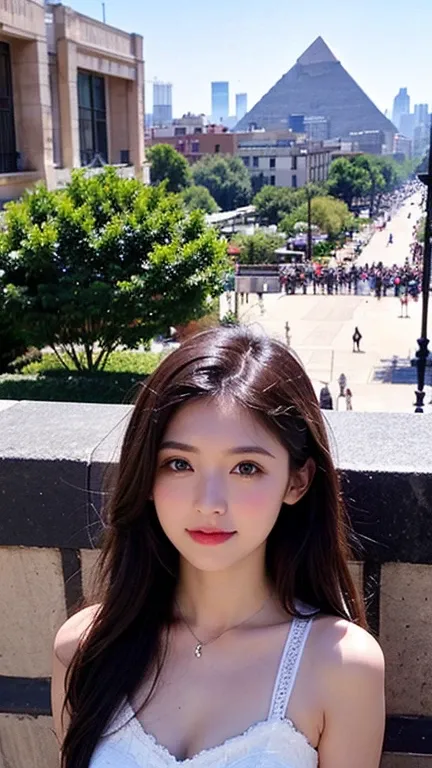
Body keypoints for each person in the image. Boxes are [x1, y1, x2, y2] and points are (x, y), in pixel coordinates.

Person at [51, 327, 385, 768]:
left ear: (296, 481)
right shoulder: (85, 647)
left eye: (246, 468)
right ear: (146, 476)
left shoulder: (341, 665)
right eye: (179, 464)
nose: (209, 504)